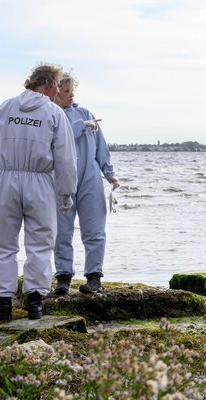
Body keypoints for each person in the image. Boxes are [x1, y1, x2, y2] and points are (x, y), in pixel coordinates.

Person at [0, 63, 77, 321]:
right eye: (57, 84)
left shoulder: (6, 107)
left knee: (2, 243)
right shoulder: (55, 113)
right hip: (41, 182)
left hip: (7, 179)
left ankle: (3, 303)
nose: (58, 90)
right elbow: (65, 157)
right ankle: (35, 302)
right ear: (47, 84)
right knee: (41, 243)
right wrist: (67, 191)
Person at [51, 73, 120, 295]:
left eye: (73, 92)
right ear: (55, 91)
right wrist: (82, 126)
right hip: (61, 179)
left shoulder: (84, 113)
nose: (71, 96)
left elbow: (101, 146)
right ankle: (63, 277)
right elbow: (58, 140)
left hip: (90, 177)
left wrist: (109, 173)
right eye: (66, 92)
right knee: (61, 232)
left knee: (95, 230)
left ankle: (94, 278)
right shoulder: (51, 115)